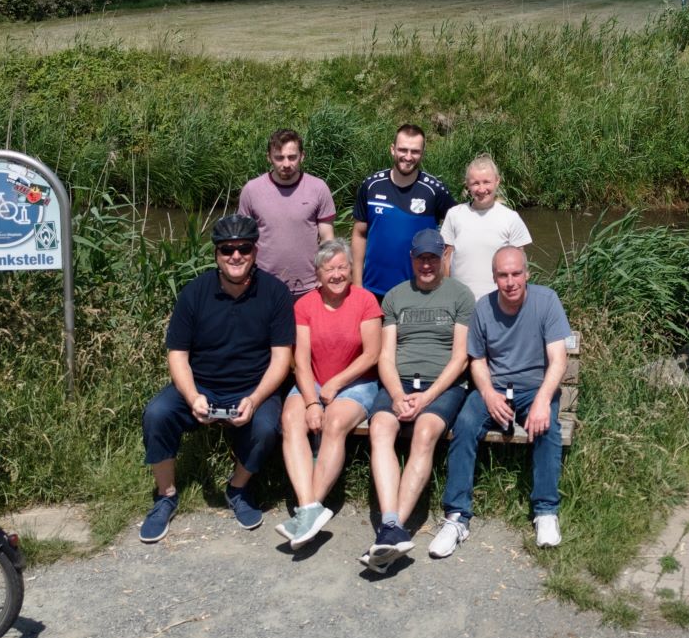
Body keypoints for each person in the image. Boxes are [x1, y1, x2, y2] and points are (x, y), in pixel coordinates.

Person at [140, 214, 294, 543]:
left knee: (267, 426)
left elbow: (282, 358)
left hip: (253, 386)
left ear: (255, 252)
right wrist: (193, 396)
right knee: (157, 413)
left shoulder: (276, 293)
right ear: (216, 254)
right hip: (202, 384)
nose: (236, 256)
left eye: (244, 248)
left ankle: (237, 488)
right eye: (227, 249)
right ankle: (165, 495)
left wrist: (255, 398)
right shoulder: (194, 293)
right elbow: (177, 355)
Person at [430, 246, 571, 556]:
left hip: (534, 389)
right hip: (494, 389)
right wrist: (488, 393)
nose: (510, 282)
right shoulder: (484, 308)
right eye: (503, 275)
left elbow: (558, 360)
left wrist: (542, 401)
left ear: (527, 273)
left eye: (516, 273)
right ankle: (456, 517)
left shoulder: (546, 301)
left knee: (547, 427)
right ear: (494, 277)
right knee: (465, 424)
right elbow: (477, 361)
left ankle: (546, 511)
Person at [361, 229, 474, 571]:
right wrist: (397, 395)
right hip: (400, 383)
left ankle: (391, 528)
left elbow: (460, 359)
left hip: (442, 385)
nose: (427, 264)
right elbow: (385, 356)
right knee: (380, 427)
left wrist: (426, 397)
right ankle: (391, 524)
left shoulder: (461, 295)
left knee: (424, 432)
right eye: (421, 258)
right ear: (411, 259)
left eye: (433, 258)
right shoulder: (395, 296)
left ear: (443, 258)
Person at [276, 239, 382, 549]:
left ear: (350, 269)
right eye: (329, 269)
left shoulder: (365, 300)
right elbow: (301, 361)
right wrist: (311, 402)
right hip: (313, 380)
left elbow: (372, 354)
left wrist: (336, 383)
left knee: (334, 422)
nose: (336, 274)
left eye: (342, 267)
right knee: (291, 418)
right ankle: (309, 507)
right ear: (318, 274)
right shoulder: (304, 305)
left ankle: (308, 510)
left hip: (357, 381)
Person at [352, 123, 456, 299]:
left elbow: (454, 234)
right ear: (393, 149)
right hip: (373, 290)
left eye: (415, 151)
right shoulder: (371, 186)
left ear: (422, 153)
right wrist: (357, 284)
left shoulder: (435, 190)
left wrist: (443, 277)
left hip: (419, 292)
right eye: (403, 150)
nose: (408, 157)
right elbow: (359, 234)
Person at [238, 128, 337, 296]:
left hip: (310, 286)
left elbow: (327, 238)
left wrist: (325, 274)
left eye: (292, 157)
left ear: (302, 156)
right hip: (264, 286)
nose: (286, 164)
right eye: (279, 158)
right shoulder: (251, 190)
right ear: (269, 157)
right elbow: (243, 239)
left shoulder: (318, 188)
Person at [440, 154, 532, 301]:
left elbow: (520, 265)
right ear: (467, 185)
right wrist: (445, 294)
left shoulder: (511, 218)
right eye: (475, 183)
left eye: (486, 182)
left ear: (497, 181)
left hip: (499, 302)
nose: (482, 189)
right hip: (460, 302)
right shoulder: (454, 214)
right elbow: (446, 259)